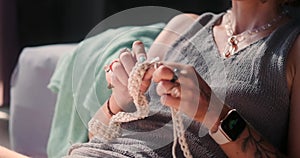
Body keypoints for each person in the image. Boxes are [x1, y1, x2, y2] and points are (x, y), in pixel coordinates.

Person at [67, 0, 300, 157]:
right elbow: (96, 136)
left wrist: (215, 113)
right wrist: (119, 99)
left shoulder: (293, 49)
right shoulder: (183, 25)